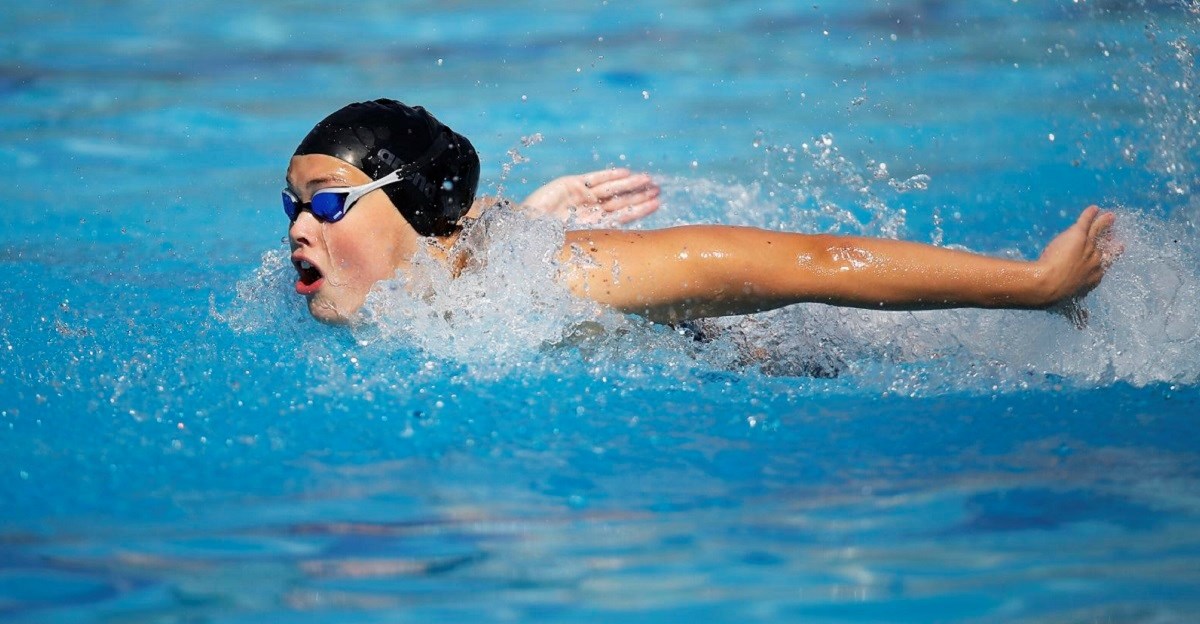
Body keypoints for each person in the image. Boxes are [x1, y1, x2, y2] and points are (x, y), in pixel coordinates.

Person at [284, 99, 1119, 326]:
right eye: (291, 205)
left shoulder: (576, 282)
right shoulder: (419, 274)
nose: (297, 228)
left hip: (779, 362)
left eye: (325, 204)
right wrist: (527, 217)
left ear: (410, 209)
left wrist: (1038, 284)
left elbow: (807, 264)